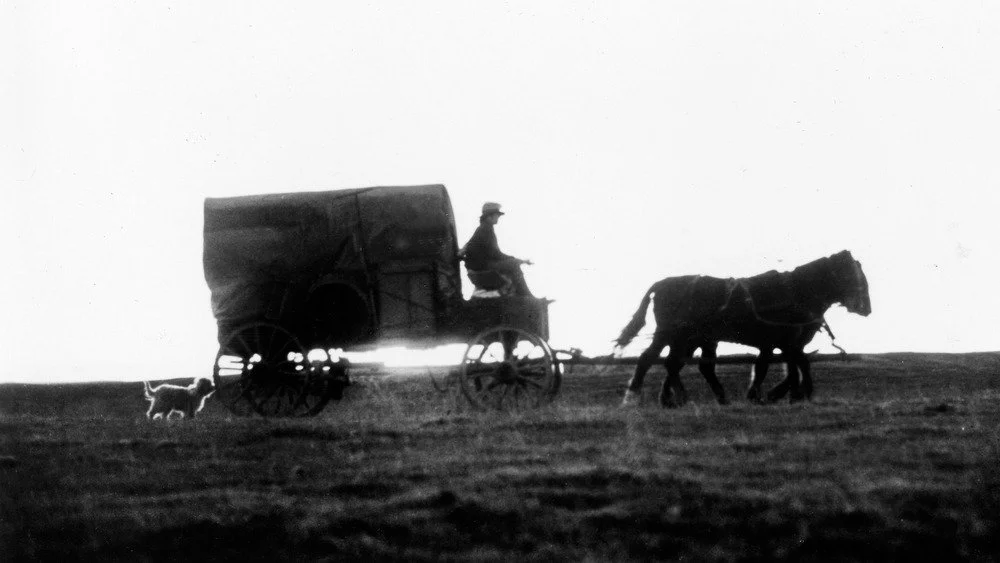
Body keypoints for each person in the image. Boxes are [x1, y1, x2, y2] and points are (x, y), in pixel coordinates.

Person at [461, 202, 535, 297]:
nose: (498, 218)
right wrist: (517, 260)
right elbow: (495, 254)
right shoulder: (485, 230)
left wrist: (513, 259)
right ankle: (526, 296)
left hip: (480, 266)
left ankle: (520, 295)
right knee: (514, 265)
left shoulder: (484, 229)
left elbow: (494, 253)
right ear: (489, 217)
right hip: (482, 267)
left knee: (512, 263)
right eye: (496, 216)